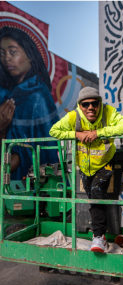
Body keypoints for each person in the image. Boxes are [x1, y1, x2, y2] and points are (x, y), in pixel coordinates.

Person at [50, 87, 123, 252]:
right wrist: (77, 135)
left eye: (94, 103)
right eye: (85, 104)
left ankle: (98, 237)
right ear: (80, 106)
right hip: (84, 167)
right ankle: (101, 236)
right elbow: (54, 131)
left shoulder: (108, 112)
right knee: (93, 198)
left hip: (105, 162)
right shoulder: (74, 117)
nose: (90, 108)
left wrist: (98, 133)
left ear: (99, 103)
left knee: (96, 193)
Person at [0, 26, 59, 179]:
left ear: (29, 55)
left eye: (13, 52)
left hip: (29, 186)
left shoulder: (37, 98)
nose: (6, 58)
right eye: (2, 53)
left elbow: (33, 154)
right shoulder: (6, 94)